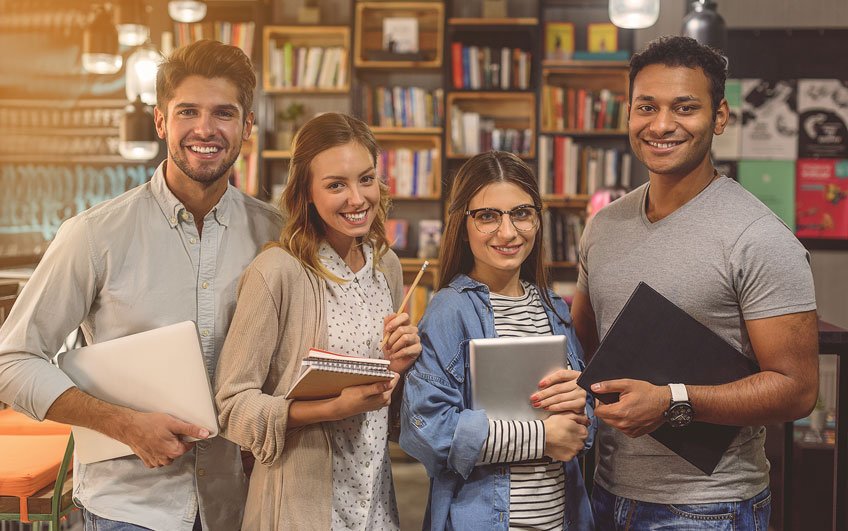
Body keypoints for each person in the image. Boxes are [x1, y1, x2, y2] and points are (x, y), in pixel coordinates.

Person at [0, 40, 283, 530]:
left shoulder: (277, 236)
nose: (205, 129)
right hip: (128, 513)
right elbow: (12, 362)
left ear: (247, 126)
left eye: (224, 113)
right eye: (187, 111)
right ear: (160, 122)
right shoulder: (93, 235)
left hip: (245, 508)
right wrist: (124, 424)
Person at [571, 36, 819, 530]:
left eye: (685, 107)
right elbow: (585, 350)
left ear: (720, 117)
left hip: (708, 508)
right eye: (648, 107)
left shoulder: (758, 237)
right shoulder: (604, 225)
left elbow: (797, 390)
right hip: (603, 493)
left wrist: (674, 401)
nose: (662, 124)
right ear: (629, 115)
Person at [214, 112, 422, 531]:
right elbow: (231, 408)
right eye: (335, 185)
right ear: (306, 193)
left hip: (375, 504)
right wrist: (328, 408)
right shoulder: (276, 272)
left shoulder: (388, 268)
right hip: (299, 508)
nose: (357, 198)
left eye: (366, 179)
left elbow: (386, 404)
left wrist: (399, 367)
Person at [399, 151, 596, 531]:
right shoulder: (449, 310)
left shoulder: (554, 308)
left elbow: (581, 429)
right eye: (488, 216)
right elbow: (427, 430)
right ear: (463, 223)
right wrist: (540, 436)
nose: (508, 232)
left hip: (561, 519)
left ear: (538, 219)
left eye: (521, 213)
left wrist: (581, 405)